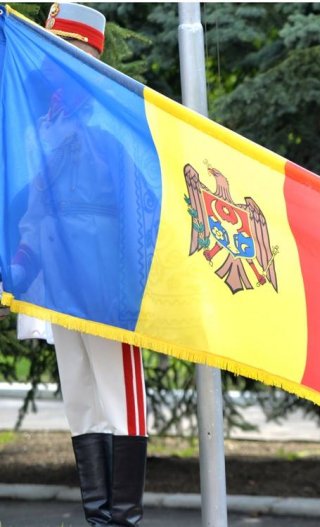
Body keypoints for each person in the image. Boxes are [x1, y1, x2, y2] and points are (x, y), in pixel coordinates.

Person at [11, 4, 149, 525]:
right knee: (83, 404)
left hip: (106, 285)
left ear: (88, 54)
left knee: (120, 403)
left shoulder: (113, 118)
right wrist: (22, 268)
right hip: (61, 285)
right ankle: (99, 520)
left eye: (63, 51)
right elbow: (36, 215)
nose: (51, 64)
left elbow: (138, 209)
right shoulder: (44, 127)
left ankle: (124, 521)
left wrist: (129, 285)